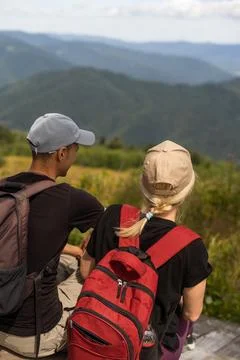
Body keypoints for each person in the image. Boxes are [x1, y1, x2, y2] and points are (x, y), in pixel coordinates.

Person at [80, 140, 212, 359]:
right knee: (185, 325)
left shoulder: (113, 215)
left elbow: (86, 272)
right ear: (187, 189)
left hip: (96, 332)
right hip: (147, 348)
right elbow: (192, 312)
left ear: (143, 182)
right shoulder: (191, 246)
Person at [0, 113, 104, 358]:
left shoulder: (5, 189)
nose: (75, 156)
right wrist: (87, 251)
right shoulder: (72, 200)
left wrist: (73, 250)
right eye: (76, 148)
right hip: (34, 336)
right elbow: (110, 227)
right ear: (62, 153)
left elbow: (21, 242)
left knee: (67, 260)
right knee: (85, 273)